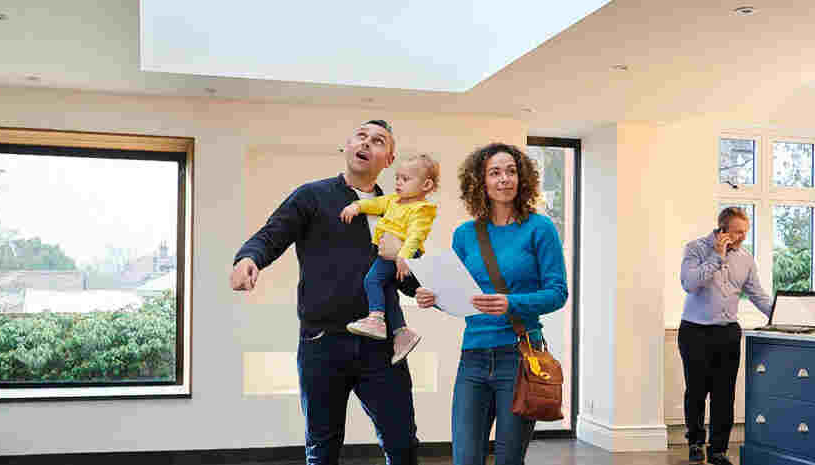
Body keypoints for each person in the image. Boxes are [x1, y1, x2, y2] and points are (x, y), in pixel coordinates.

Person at [231, 120, 421, 465]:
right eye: (361, 137)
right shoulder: (312, 196)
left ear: (389, 159)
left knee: (403, 444)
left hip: (382, 347)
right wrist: (248, 258)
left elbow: (408, 278)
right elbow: (272, 234)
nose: (367, 143)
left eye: (378, 141)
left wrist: (427, 285)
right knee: (322, 450)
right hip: (322, 344)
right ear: (346, 146)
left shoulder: (399, 210)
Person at [414, 142, 568, 465]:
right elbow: (460, 294)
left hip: (520, 357)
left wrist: (510, 303)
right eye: (494, 173)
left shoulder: (540, 229)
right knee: (465, 458)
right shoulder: (465, 234)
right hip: (473, 358)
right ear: (480, 181)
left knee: (509, 459)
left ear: (522, 178)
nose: (504, 179)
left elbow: (558, 293)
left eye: (511, 171)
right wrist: (434, 298)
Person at [677, 207, 774, 465]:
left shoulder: (745, 258)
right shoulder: (695, 249)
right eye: (738, 232)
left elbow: (757, 294)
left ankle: (718, 449)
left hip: (728, 333)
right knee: (697, 391)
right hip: (695, 330)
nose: (743, 236)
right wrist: (717, 257)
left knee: (724, 394)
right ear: (722, 230)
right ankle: (695, 442)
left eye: (745, 232)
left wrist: (782, 316)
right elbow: (689, 283)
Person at [340, 153, 441, 364]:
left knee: (372, 280)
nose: (398, 183)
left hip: (403, 254)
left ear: (426, 184)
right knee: (386, 290)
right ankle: (402, 333)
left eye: (406, 179)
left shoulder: (422, 210)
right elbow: (375, 204)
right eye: (397, 177)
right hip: (392, 254)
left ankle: (376, 319)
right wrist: (356, 206)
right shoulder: (393, 201)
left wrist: (402, 256)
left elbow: (416, 235)